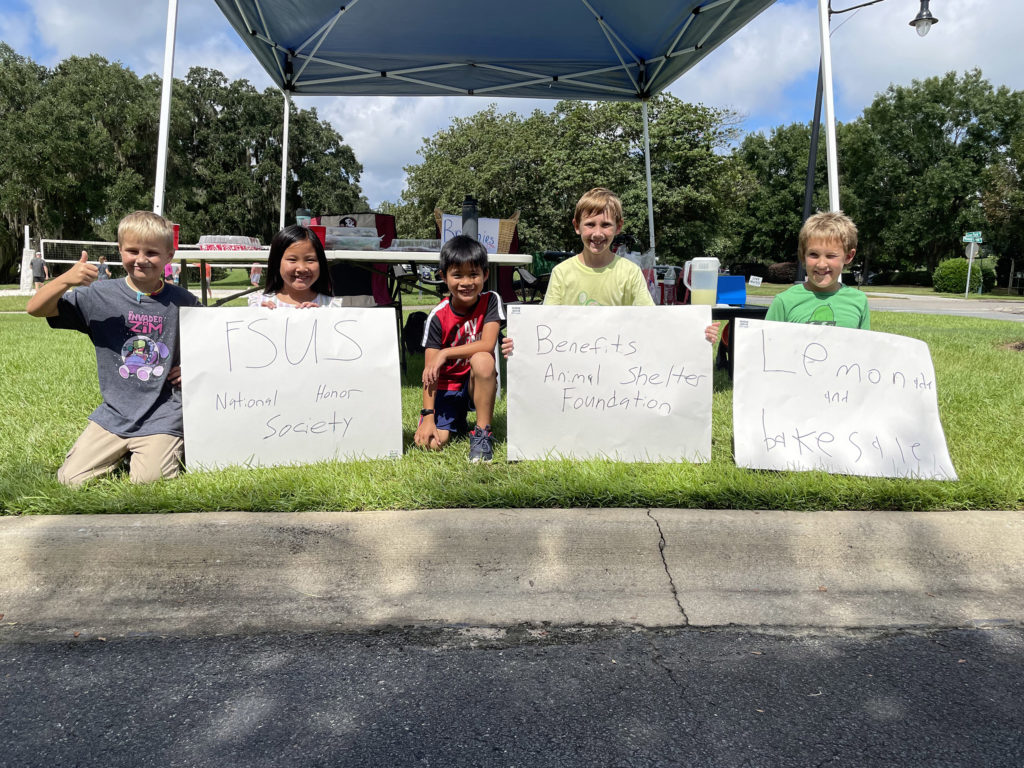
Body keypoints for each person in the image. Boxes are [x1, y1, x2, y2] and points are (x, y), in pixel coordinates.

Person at [26, 211, 200, 486]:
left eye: (152, 253)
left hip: (163, 412)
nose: (141, 259)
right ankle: (131, 451)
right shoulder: (98, 296)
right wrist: (65, 280)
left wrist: (193, 366)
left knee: (149, 482)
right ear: (120, 250)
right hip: (115, 413)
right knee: (70, 481)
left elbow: (209, 343)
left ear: (169, 255)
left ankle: (155, 450)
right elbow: (35, 309)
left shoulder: (184, 301)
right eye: (132, 250)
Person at [504, 188, 719, 356]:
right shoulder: (561, 273)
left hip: (620, 365)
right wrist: (521, 342)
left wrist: (696, 332)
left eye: (606, 225)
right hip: (572, 367)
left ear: (618, 227)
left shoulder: (630, 273)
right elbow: (545, 325)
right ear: (577, 226)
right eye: (590, 224)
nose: (597, 233)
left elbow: (653, 322)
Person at [415, 235, 504, 463]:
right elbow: (430, 372)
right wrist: (428, 416)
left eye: (473, 274)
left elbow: (487, 344)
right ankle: (457, 420)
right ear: (444, 277)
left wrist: (445, 352)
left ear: (485, 275)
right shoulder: (438, 316)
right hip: (448, 387)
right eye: (457, 275)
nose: (466, 282)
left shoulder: (491, 300)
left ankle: (483, 433)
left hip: (474, 383)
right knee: (432, 444)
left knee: (484, 358)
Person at [765, 210, 870, 329]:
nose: (821, 264)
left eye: (831, 256)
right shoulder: (784, 301)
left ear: (848, 256)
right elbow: (768, 344)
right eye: (814, 254)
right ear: (802, 254)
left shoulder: (859, 301)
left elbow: (864, 346)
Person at [248, 224, 342, 309]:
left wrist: (323, 318)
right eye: (292, 260)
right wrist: (260, 316)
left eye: (310, 260)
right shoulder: (259, 303)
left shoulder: (331, 306)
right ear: (277, 262)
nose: (302, 268)